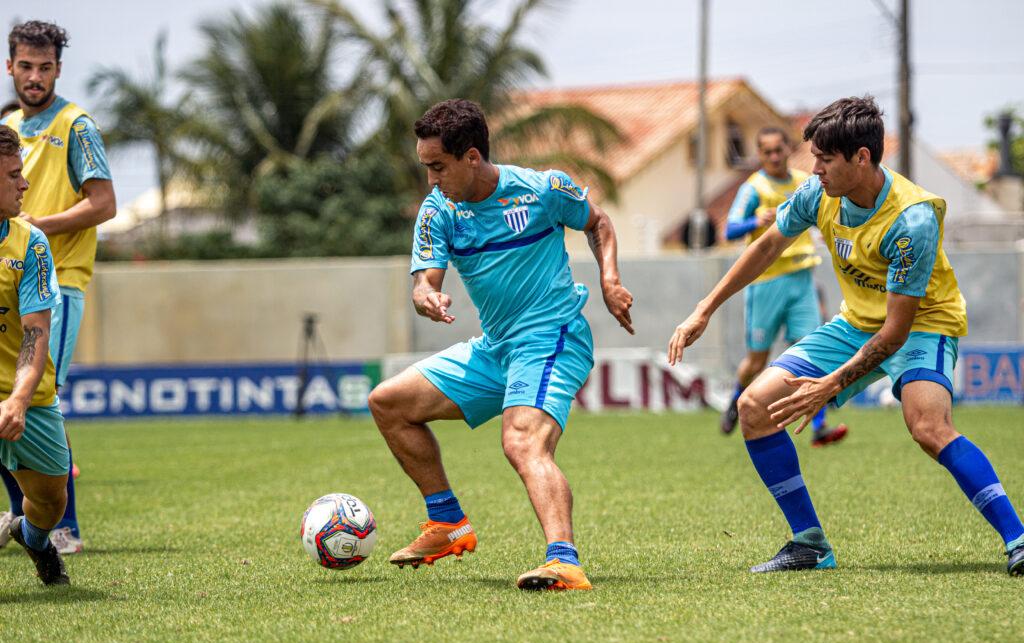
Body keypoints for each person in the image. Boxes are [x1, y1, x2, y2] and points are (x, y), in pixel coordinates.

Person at [668, 95, 1024, 575]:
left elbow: (895, 333)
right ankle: (810, 545)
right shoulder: (818, 194)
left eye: (825, 159)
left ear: (862, 157)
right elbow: (768, 246)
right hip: (856, 323)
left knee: (928, 426)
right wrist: (704, 309)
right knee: (754, 408)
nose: (814, 169)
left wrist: (831, 385)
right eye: (813, 157)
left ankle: (1018, 538)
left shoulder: (912, 219)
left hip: (922, 324)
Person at [368, 98, 634, 590]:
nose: (431, 179)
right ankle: (447, 522)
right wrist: (426, 296)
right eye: (426, 167)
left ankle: (564, 561)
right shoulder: (438, 209)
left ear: (472, 157)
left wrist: (609, 280)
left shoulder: (542, 189)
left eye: (438, 166)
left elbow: (597, 222)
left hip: (552, 337)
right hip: (496, 349)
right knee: (389, 403)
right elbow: (425, 282)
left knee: (521, 441)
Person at [0, 21, 116, 555]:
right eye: (25, 66)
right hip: (7, 280)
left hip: (56, 281)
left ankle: (61, 526)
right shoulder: (7, 126)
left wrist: (35, 228)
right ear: (10, 66)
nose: (34, 77)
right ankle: (26, 519)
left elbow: (104, 204)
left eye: (45, 68)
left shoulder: (77, 126)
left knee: (39, 397)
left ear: (59, 70)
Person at [721, 126, 847, 447]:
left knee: (812, 351)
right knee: (756, 361)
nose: (775, 157)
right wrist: (756, 221)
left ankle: (819, 426)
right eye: (767, 152)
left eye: (779, 150)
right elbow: (730, 230)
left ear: (789, 149)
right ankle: (736, 399)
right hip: (766, 283)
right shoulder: (754, 188)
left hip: (801, 278)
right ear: (760, 155)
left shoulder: (805, 182)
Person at [0, 124, 70, 584]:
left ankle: (33, 538)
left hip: (24, 393)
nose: (25, 184)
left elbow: (35, 332)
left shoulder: (30, 242)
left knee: (50, 501)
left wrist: (18, 400)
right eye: (13, 175)